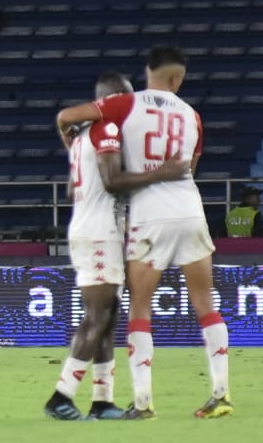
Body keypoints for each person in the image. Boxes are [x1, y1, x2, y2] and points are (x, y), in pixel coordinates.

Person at [57, 45, 232, 419]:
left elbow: (69, 116)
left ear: (147, 72)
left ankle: (143, 403)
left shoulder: (125, 105)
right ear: (178, 78)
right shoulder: (192, 115)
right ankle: (221, 394)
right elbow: (190, 167)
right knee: (206, 303)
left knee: (139, 308)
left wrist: (75, 141)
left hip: (149, 215)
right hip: (190, 209)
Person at [43, 72, 189, 421]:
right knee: (99, 315)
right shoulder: (106, 127)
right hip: (98, 232)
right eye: (125, 99)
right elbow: (110, 182)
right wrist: (160, 174)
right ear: (111, 100)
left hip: (95, 227)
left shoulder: (81, 137)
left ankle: (102, 400)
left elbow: (73, 189)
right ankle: (61, 396)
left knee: (108, 316)